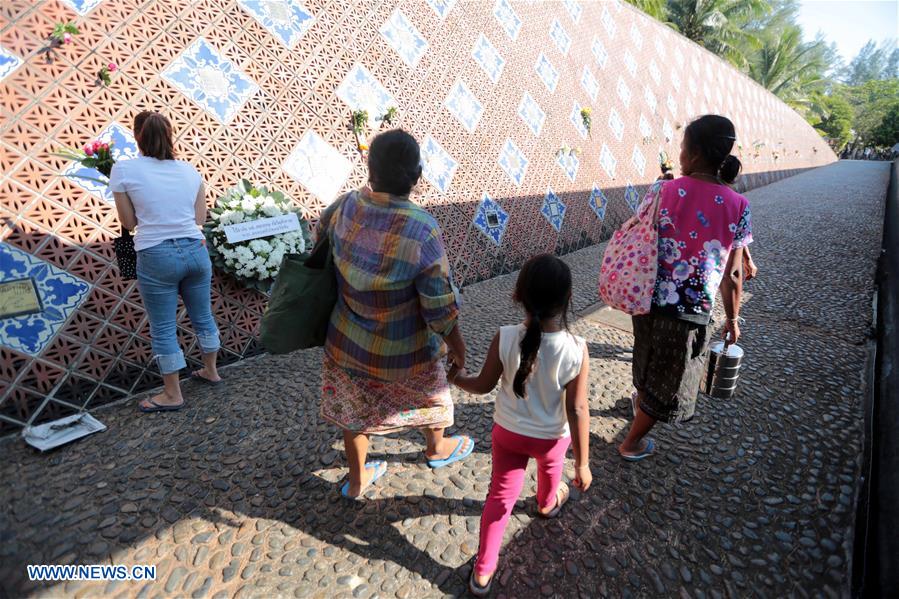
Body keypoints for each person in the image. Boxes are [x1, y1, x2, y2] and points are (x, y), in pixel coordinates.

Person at [319, 129, 473, 499]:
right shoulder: (422, 228)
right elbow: (437, 306)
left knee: (354, 412)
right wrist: (458, 346)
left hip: (347, 344)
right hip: (406, 351)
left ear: (370, 168)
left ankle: (356, 483)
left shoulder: (343, 206)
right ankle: (436, 450)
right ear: (417, 175)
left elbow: (321, 251)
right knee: (433, 394)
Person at [447, 254, 591, 597]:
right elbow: (578, 408)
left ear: (518, 296)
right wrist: (583, 463)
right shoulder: (577, 349)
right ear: (569, 299)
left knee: (499, 497)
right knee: (550, 476)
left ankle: (482, 571)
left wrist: (457, 377)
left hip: (507, 434)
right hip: (551, 441)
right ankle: (546, 503)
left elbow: (482, 385)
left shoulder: (505, 336)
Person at [618, 114, 753, 461]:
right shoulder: (739, 206)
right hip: (689, 311)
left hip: (647, 298)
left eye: (682, 147)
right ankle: (630, 442)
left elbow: (638, 231)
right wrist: (734, 319)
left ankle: (640, 401)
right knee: (669, 378)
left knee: (647, 355)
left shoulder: (663, 189)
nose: (679, 154)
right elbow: (734, 275)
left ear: (692, 154)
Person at [110, 111, 221, 412]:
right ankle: (211, 370)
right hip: (196, 250)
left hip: (157, 254)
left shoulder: (123, 169)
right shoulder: (190, 171)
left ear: (137, 136)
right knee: (203, 315)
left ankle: (172, 394)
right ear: (170, 135)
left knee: (163, 327)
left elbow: (128, 222)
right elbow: (199, 218)